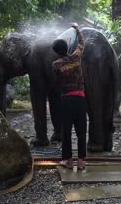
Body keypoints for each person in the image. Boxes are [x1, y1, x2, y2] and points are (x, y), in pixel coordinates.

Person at [52, 23, 86, 170]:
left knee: (66, 130)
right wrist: (77, 28)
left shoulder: (55, 64)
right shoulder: (77, 57)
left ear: (56, 52)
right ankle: (81, 161)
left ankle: (68, 161)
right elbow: (82, 43)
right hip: (80, 99)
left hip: (66, 100)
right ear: (67, 48)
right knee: (81, 131)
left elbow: (57, 81)